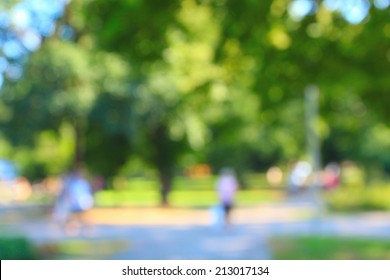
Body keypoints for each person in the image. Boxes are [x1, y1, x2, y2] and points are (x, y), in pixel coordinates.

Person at [53, 167, 94, 236]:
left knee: (76, 218)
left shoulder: (78, 183)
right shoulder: (78, 183)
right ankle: (79, 230)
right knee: (77, 218)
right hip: (78, 203)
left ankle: (79, 230)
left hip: (77, 203)